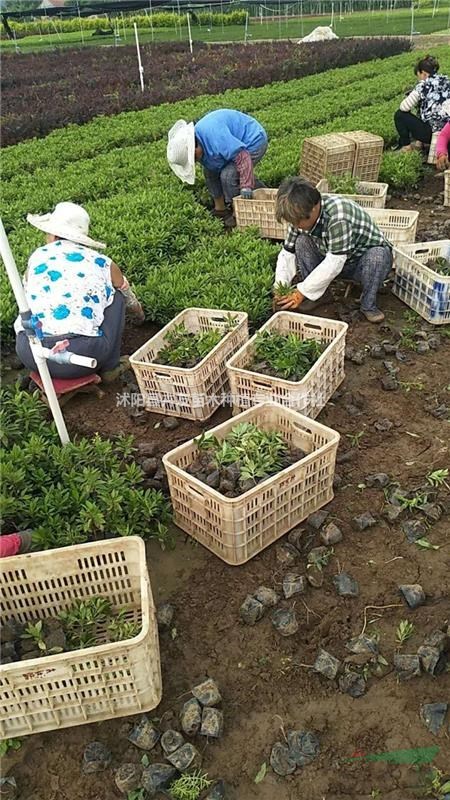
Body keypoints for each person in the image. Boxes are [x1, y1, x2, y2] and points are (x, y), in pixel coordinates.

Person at [15, 202, 144, 380]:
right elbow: (127, 295)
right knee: (118, 296)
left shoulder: (37, 257)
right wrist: (139, 314)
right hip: (83, 358)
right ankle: (110, 367)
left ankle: (36, 369)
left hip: (30, 353)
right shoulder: (102, 262)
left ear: (52, 236)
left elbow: (26, 294)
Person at [274, 177, 393, 324]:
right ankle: (320, 296)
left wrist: (301, 292)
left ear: (314, 207)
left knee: (377, 255)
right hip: (335, 258)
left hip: (361, 263)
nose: (296, 225)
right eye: (293, 221)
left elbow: (335, 262)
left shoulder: (338, 217)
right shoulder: (298, 217)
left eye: (298, 221)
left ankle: (368, 305)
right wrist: (281, 286)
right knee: (302, 242)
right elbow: (288, 253)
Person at [167, 109, 268, 228]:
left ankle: (238, 214)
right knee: (209, 172)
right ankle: (220, 208)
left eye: (194, 158)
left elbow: (243, 156)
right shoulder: (201, 141)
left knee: (229, 175)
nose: (196, 161)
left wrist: (246, 186)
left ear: (194, 147)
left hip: (252, 141)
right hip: (233, 145)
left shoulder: (217, 137)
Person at [394, 54, 450, 151]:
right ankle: (420, 143)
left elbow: (404, 107)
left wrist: (416, 95)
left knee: (399, 115)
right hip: (448, 131)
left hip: (431, 133)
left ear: (423, 73)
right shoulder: (447, 80)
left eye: (418, 76)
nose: (419, 79)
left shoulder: (424, 85)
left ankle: (406, 146)